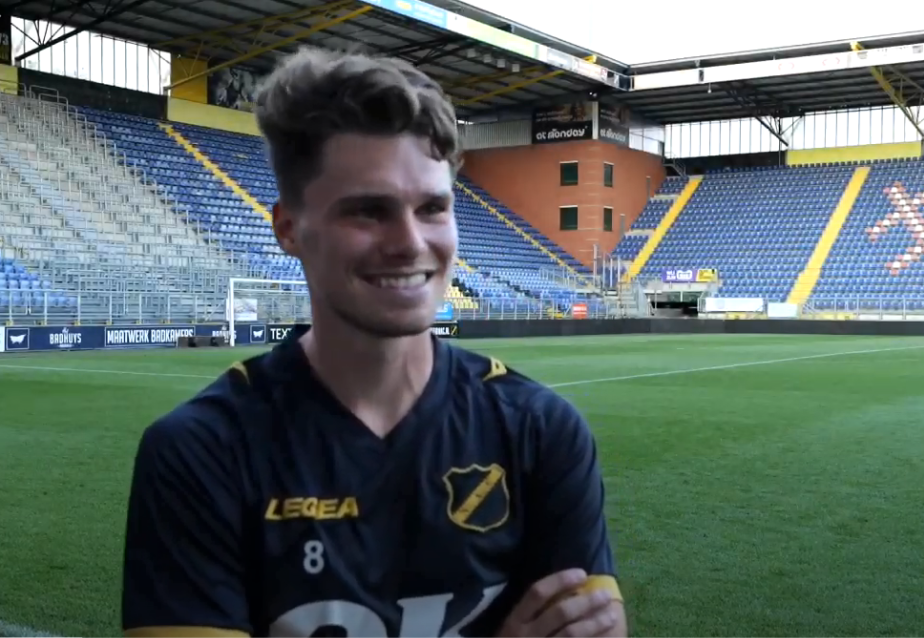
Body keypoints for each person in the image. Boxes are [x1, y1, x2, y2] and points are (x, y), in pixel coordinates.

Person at [121, 46, 626, 638]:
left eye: (432, 208)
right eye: (368, 211)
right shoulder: (199, 452)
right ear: (288, 228)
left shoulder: (542, 431)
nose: (409, 242)